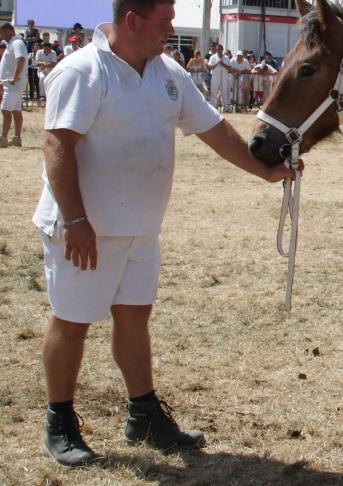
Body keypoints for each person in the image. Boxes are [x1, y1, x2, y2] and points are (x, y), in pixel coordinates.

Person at [32, 0, 295, 467]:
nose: (171, 30)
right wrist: (74, 221)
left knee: (134, 319)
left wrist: (264, 171)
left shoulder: (168, 72)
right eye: (164, 20)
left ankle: (143, 414)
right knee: (72, 323)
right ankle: (60, 422)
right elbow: (57, 144)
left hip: (139, 230)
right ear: (132, 21)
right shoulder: (83, 71)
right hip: (86, 230)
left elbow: (214, 128)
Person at [0, 23, 27, 148]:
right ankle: (17, 138)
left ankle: (3, 138)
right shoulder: (12, 43)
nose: (1, 35)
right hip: (13, 83)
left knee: (6, 110)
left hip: (13, 84)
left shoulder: (17, 43)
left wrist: (15, 78)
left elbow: (20, 60)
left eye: (2, 32)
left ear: (9, 31)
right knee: (16, 110)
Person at [208, 44, 230, 112]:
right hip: (215, 77)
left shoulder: (226, 57)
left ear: (222, 50)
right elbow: (209, 67)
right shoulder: (213, 57)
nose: (219, 51)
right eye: (218, 50)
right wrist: (217, 63)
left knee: (224, 93)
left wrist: (223, 64)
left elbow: (229, 68)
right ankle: (212, 108)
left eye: (220, 49)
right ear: (216, 50)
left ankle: (225, 108)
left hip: (224, 77)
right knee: (214, 92)